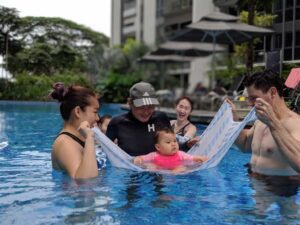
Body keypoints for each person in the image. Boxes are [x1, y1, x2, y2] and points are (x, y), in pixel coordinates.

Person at [227, 69, 300, 177]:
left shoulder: (296, 124)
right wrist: (234, 120)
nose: (249, 104)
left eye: (254, 98)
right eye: (248, 99)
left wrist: (273, 123)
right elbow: (245, 145)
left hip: (279, 190)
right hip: (253, 189)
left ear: (272, 92)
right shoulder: (260, 121)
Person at [50, 82, 99, 179]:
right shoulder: (65, 143)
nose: (97, 118)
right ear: (78, 111)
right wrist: (89, 138)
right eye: (95, 112)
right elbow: (84, 183)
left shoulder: (77, 138)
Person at [106, 82, 171, 156]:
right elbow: (105, 151)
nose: (146, 112)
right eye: (141, 107)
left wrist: (186, 144)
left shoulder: (161, 119)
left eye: (150, 107)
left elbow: (173, 145)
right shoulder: (117, 123)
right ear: (130, 103)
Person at [133, 127, 208, 173]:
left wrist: (199, 158)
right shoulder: (154, 155)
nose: (173, 144)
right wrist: (138, 159)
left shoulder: (180, 154)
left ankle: (173, 175)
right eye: (168, 142)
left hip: (175, 170)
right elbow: (143, 158)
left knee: (181, 168)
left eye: (175, 141)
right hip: (159, 169)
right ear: (158, 147)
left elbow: (191, 157)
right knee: (151, 166)